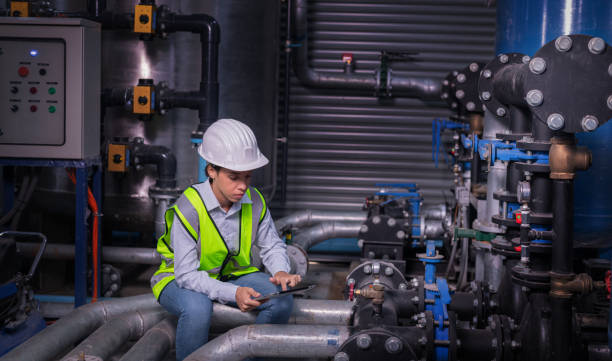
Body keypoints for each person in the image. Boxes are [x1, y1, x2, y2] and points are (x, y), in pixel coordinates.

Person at [150, 118, 301, 361]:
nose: (243, 186)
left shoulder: (256, 201)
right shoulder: (189, 208)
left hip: (232, 274)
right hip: (178, 278)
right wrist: (234, 293)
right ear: (211, 170)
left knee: (281, 301)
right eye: (234, 177)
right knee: (198, 309)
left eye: (248, 177)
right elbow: (187, 276)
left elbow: (271, 245)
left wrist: (281, 271)